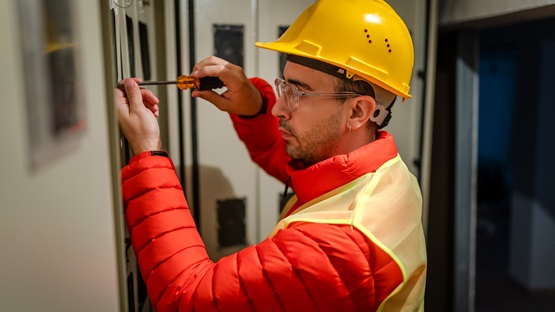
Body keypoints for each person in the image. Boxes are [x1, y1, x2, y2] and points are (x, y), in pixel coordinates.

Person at [116, 0, 427, 311]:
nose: (279, 108)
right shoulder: (386, 175)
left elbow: (187, 298)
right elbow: (301, 171)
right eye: (284, 87)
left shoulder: (339, 247)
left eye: (298, 93)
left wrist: (147, 150)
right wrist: (255, 107)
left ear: (358, 111)